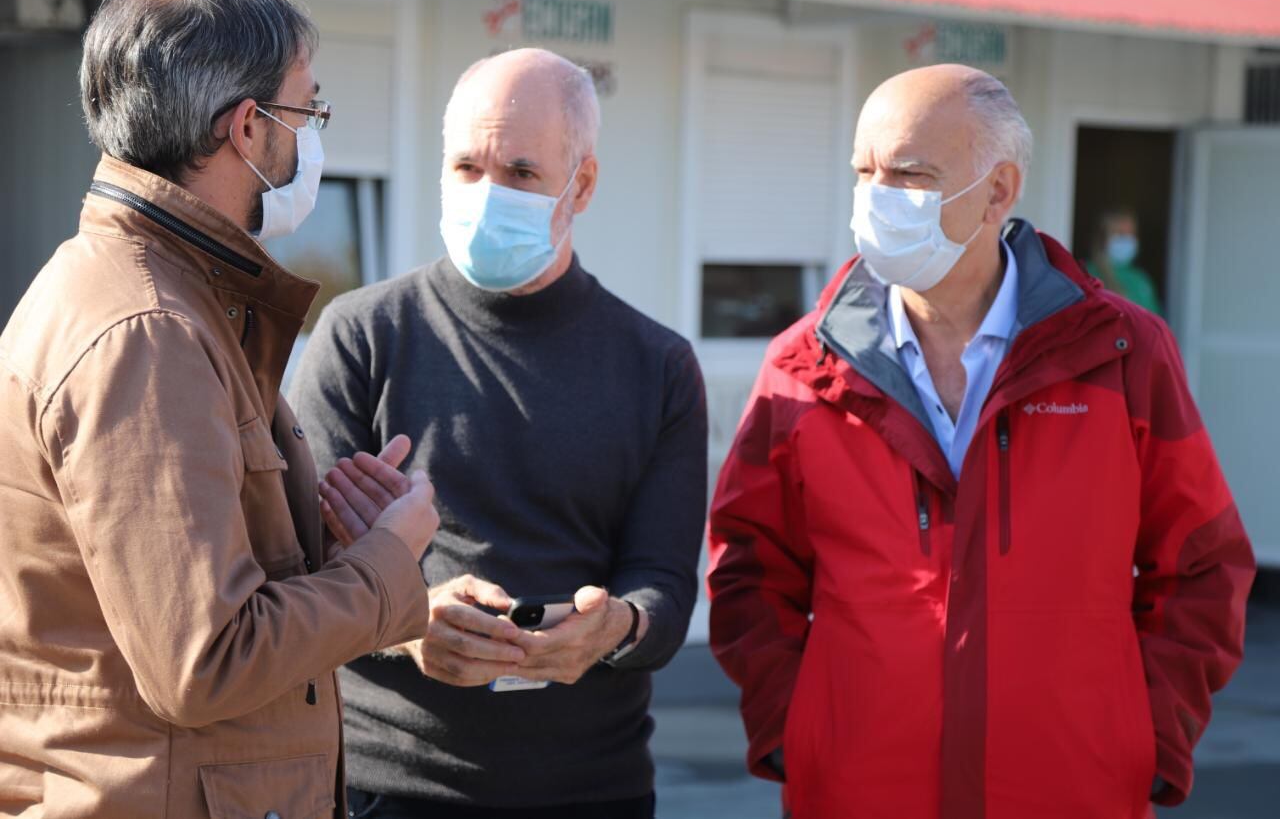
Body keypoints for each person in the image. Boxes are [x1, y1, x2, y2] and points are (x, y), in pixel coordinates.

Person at [706, 64, 1254, 818]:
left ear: (998, 190)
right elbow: (746, 569)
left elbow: (1202, 565)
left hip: (1072, 791)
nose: (876, 198)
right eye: (864, 173)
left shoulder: (1124, 355)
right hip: (859, 793)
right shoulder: (803, 367)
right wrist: (794, 731)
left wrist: (1146, 738)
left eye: (910, 174)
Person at [0, 0, 440, 819]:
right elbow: (207, 658)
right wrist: (390, 561)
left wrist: (322, 542)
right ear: (246, 128)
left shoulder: (163, 296)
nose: (315, 137)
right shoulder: (148, 330)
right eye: (309, 111)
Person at [289, 47, 708, 818]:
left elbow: (666, 589)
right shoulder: (361, 336)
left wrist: (612, 625)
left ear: (581, 185)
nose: (487, 195)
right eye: (466, 168)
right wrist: (409, 620)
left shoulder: (658, 366)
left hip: (593, 790)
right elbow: (295, 567)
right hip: (384, 787)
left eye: (520, 173)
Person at [1087, 207, 1163, 314]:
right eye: (1120, 234)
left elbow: (1156, 322)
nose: (1127, 239)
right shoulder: (1088, 274)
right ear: (1103, 238)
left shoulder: (1141, 279)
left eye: (1131, 234)